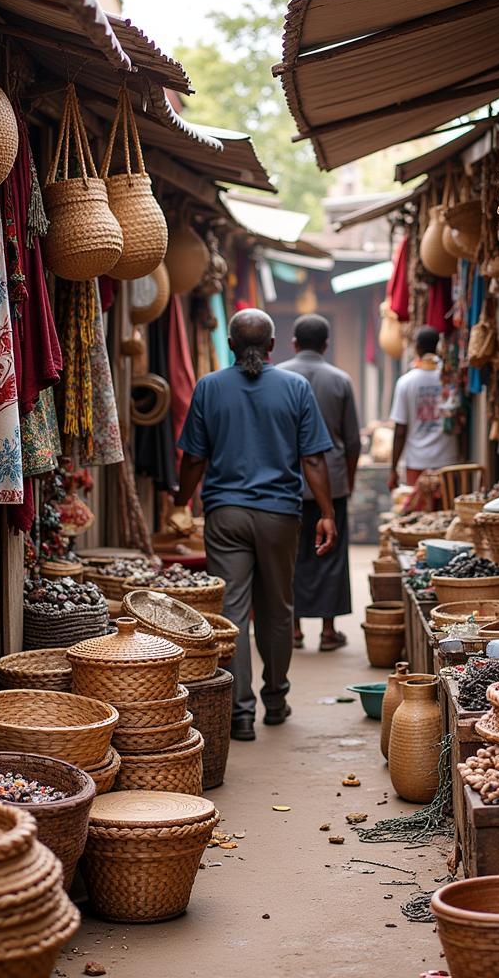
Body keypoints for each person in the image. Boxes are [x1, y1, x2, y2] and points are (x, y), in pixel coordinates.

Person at [175, 309, 338, 742]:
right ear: (271, 346)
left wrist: (177, 502)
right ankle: (276, 699)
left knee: (232, 614)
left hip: (225, 515)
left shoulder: (209, 387)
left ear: (230, 344)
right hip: (280, 515)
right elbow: (315, 459)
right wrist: (326, 513)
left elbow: (194, 458)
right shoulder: (295, 388)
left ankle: (239, 713)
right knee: (278, 610)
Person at [280, 314, 361, 652]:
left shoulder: (279, 377)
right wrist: (348, 480)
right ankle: (328, 631)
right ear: (326, 345)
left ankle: (294, 629)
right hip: (333, 481)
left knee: (289, 554)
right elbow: (353, 441)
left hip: (286, 481)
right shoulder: (340, 380)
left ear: (294, 343)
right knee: (331, 553)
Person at [387, 325, 459, 490]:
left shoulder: (406, 382)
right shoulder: (450, 379)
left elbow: (400, 430)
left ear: (417, 347)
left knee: (420, 513)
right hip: (448, 459)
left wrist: (393, 469)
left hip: (417, 462)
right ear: (437, 346)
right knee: (447, 513)